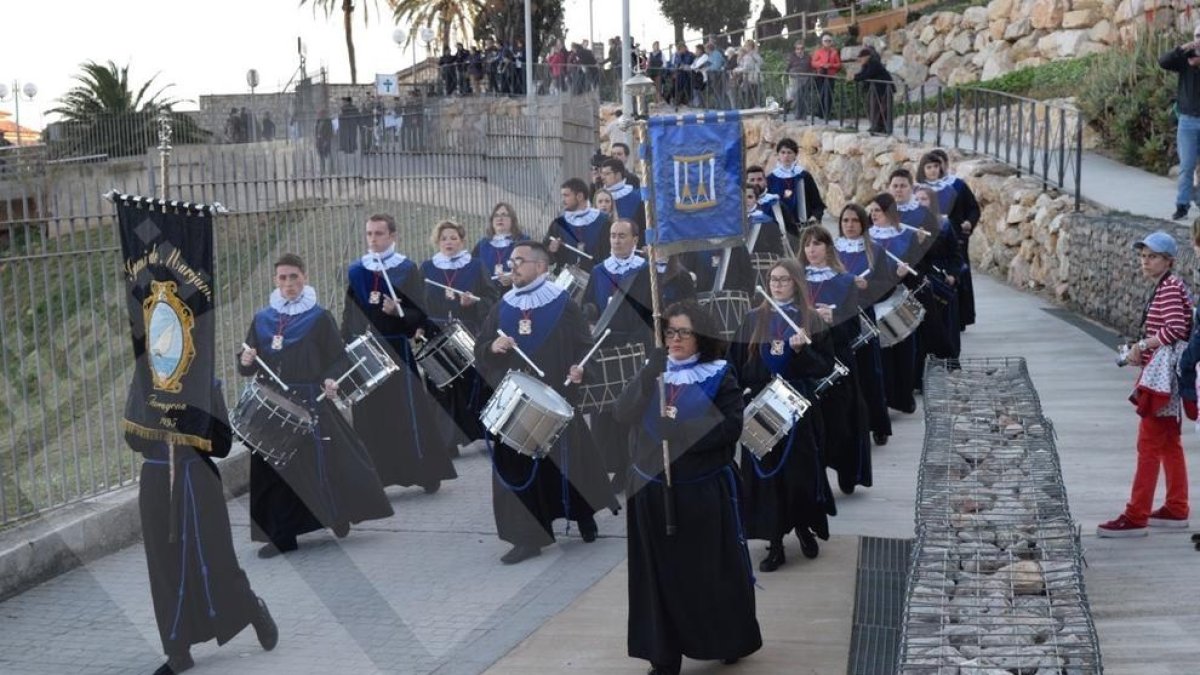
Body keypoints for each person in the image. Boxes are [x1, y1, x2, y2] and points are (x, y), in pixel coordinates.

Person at [615, 300, 763, 674]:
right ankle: (663, 655)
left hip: (700, 493)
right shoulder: (655, 372)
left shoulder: (719, 374)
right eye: (670, 332)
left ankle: (726, 638)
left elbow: (731, 429)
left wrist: (681, 434)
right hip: (650, 490)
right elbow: (622, 412)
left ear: (702, 337)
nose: (675, 339)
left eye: (684, 332)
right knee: (657, 577)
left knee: (707, 575)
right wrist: (650, 368)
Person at [240, 253, 394, 558]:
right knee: (275, 473)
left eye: (293, 277)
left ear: (304, 277)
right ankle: (282, 535)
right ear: (275, 281)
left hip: (312, 401)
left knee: (332, 462)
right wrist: (244, 360)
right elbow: (249, 359)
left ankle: (336, 515)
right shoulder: (262, 319)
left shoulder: (319, 317)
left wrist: (331, 378)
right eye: (282, 278)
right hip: (274, 406)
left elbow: (338, 358)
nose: (288, 284)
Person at [474, 242, 617, 564]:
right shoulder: (502, 305)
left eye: (519, 261)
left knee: (570, 466)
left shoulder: (563, 304)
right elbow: (480, 348)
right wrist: (491, 347)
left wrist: (582, 371)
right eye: (511, 261)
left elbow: (585, 348)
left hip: (556, 398)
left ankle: (583, 516)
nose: (513, 267)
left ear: (540, 266)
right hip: (515, 404)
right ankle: (527, 537)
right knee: (514, 468)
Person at [133, 385, 278, 675]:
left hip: (196, 479)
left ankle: (250, 607)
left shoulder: (205, 381)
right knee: (164, 567)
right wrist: (156, 419)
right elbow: (133, 439)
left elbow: (222, 444)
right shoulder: (143, 383)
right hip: (156, 481)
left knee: (216, 560)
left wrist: (187, 421)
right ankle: (178, 650)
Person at [729, 260, 836, 571]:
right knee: (767, 476)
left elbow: (825, 366)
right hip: (762, 404)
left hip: (798, 407)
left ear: (797, 284)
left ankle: (803, 527)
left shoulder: (810, 319)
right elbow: (735, 363)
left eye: (784, 280)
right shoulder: (752, 320)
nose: (777, 285)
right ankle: (774, 542)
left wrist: (803, 352)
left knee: (800, 473)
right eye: (773, 279)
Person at [341, 214, 458, 491]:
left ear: (393, 236)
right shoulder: (357, 271)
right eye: (369, 234)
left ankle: (423, 472)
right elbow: (349, 314)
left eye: (379, 234)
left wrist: (399, 312)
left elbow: (422, 313)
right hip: (365, 354)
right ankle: (377, 477)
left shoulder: (405, 269)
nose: (373, 239)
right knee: (370, 418)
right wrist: (345, 344)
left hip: (395, 350)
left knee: (406, 413)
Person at [1098, 231, 1194, 537]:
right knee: (1168, 442)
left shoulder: (1167, 289)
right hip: (1169, 375)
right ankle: (1176, 508)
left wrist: (1143, 346)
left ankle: (1136, 514)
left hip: (1161, 378)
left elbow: (1176, 329)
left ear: (1168, 260)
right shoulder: (1172, 286)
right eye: (1142, 256)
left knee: (1149, 443)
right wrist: (1145, 349)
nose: (1145, 261)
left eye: (1152, 256)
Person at [581, 219, 654, 491]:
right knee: (606, 410)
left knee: (633, 407)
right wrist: (589, 314)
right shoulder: (600, 270)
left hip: (635, 347)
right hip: (605, 347)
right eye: (613, 236)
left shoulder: (644, 271)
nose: (616, 240)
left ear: (635, 240)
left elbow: (651, 309)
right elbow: (589, 302)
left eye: (622, 236)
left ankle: (632, 466)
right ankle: (612, 466)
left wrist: (639, 337)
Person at [801, 226, 873, 494]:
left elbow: (853, 329)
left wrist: (833, 321)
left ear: (828, 248)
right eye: (807, 244)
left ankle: (845, 469)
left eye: (817, 244)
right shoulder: (795, 281)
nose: (811, 249)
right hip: (805, 359)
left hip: (837, 359)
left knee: (841, 420)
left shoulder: (844, 281)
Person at [421, 220, 497, 450]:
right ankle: (447, 442)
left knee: (471, 386)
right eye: (444, 238)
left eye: (453, 237)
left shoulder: (475, 266)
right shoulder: (427, 268)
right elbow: (416, 301)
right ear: (437, 241)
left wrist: (473, 302)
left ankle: (479, 431)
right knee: (441, 387)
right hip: (437, 334)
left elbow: (492, 299)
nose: (448, 242)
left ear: (462, 241)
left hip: (467, 332)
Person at [835, 203, 892, 446]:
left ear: (863, 224)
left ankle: (878, 425)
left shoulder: (875, 251)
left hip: (863, 317)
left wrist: (868, 289)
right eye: (845, 221)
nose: (849, 225)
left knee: (870, 372)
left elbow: (887, 285)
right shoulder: (830, 251)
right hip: (837, 320)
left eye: (854, 221)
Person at [867, 193, 922, 415]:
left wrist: (903, 274)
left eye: (878, 211)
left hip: (899, 298)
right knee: (883, 356)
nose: (873, 215)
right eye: (871, 211)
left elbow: (917, 271)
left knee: (904, 352)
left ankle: (904, 395)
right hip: (875, 299)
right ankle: (886, 397)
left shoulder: (906, 236)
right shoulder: (865, 238)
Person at [929, 148, 980, 329]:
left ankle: (960, 318)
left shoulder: (957, 185)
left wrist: (969, 222)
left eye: (939, 164)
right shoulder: (921, 189)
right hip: (930, 242)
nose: (937, 169)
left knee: (958, 278)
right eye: (932, 165)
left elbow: (974, 208)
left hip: (956, 240)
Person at [1160, 25, 1200, 220]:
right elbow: (1163, 62)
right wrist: (1181, 49)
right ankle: (1182, 204)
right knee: (1187, 166)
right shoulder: (1185, 58)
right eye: (1198, 35)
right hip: (1188, 121)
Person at [766, 138, 826, 246]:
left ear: (795, 155)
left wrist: (814, 218)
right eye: (783, 152)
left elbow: (817, 204)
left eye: (790, 152)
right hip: (781, 231)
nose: (786, 156)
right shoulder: (771, 179)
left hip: (804, 229)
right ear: (778, 155)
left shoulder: (803, 176)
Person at [546, 177, 613, 272]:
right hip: (566, 282)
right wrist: (551, 250)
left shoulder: (603, 221)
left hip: (596, 280)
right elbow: (545, 258)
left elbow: (611, 254)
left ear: (580, 196)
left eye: (566, 195)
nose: (563, 200)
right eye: (562, 196)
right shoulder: (558, 224)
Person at [474, 202, 529, 292]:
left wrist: (514, 278)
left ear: (512, 220)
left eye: (504, 215)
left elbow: (531, 268)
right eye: (496, 215)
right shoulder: (482, 244)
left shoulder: (523, 241)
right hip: (489, 296)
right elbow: (475, 271)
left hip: (515, 293)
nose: (499, 218)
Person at [853, 48, 894, 134]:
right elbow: (863, 74)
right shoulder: (866, 65)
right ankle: (876, 126)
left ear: (867, 57)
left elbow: (868, 74)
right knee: (873, 107)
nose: (860, 60)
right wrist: (855, 77)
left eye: (861, 57)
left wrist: (855, 77)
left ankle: (885, 128)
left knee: (883, 108)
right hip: (876, 89)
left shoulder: (874, 63)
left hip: (884, 88)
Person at [599, 157, 644, 222]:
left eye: (607, 174)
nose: (603, 177)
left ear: (618, 175)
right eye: (602, 174)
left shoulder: (636, 196)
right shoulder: (599, 196)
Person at [812, 34, 842, 120]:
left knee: (829, 94)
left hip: (830, 75)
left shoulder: (834, 52)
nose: (827, 43)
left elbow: (839, 64)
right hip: (821, 75)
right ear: (822, 42)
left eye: (829, 41)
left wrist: (830, 65)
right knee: (821, 94)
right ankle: (820, 113)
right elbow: (813, 63)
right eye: (826, 41)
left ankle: (827, 114)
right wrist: (822, 65)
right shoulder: (818, 52)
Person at [787, 40, 814, 120]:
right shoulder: (791, 56)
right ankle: (797, 114)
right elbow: (788, 68)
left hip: (806, 78)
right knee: (797, 96)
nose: (800, 51)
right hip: (795, 78)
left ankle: (803, 115)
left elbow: (810, 67)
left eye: (801, 49)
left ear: (804, 49)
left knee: (804, 97)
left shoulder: (807, 57)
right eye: (798, 49)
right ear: (795, 49)